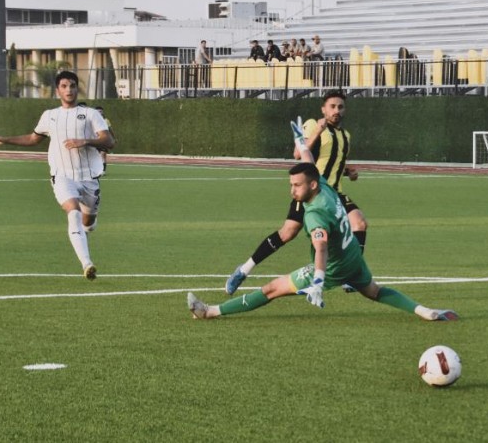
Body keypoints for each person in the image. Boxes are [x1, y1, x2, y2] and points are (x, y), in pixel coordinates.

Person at [187, 120, 457, 322]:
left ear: (311, 186)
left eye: (296, 186)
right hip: (354, 258)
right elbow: (308, 161)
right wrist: (301, 143)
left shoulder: (314, 212)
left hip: (336, 266)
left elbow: (321, 247)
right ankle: (425, 311)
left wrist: (318, 281)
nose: (292, 191)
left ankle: (209, 312)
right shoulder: (324, 186)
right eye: (291, 184)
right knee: (374, 291)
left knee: (271, 289)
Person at [225, 91, 367, 295]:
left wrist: (348, 171)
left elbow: (330, 161)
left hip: (334, 194)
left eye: (340, 107)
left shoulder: (345, 135)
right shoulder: (312, 125)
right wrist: (318, 130)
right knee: (287, 233)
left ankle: (352, 275)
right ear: (323, 109)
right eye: (332, 106)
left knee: (359, 222)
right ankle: (244, 269)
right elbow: (299, 154)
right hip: (312, 192)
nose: (336, 110)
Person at [0, 71, 115, 279]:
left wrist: (85, 141)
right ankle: (87, 264)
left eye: (72, 86)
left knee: (88, 221)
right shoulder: (49, 115)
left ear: (77, 88)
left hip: (88, 178)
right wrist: (4, 139)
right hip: (62, 176)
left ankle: (89, 225)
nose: (68, 90)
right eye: (64, 86)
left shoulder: (90, 114)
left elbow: (109, 142)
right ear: (57, 90)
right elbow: (33, 138)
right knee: (73, 212)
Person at [95, 106, 116, 175]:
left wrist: (114, 137)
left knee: (103, 154)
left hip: (103, 140)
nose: (99, 113)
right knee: (95, 155)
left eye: (100, 111)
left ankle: (103, 170)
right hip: (95, 140)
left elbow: (110, 129)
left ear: (103, 112)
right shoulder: (92, 120)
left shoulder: (106, 120)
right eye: (98, 111)